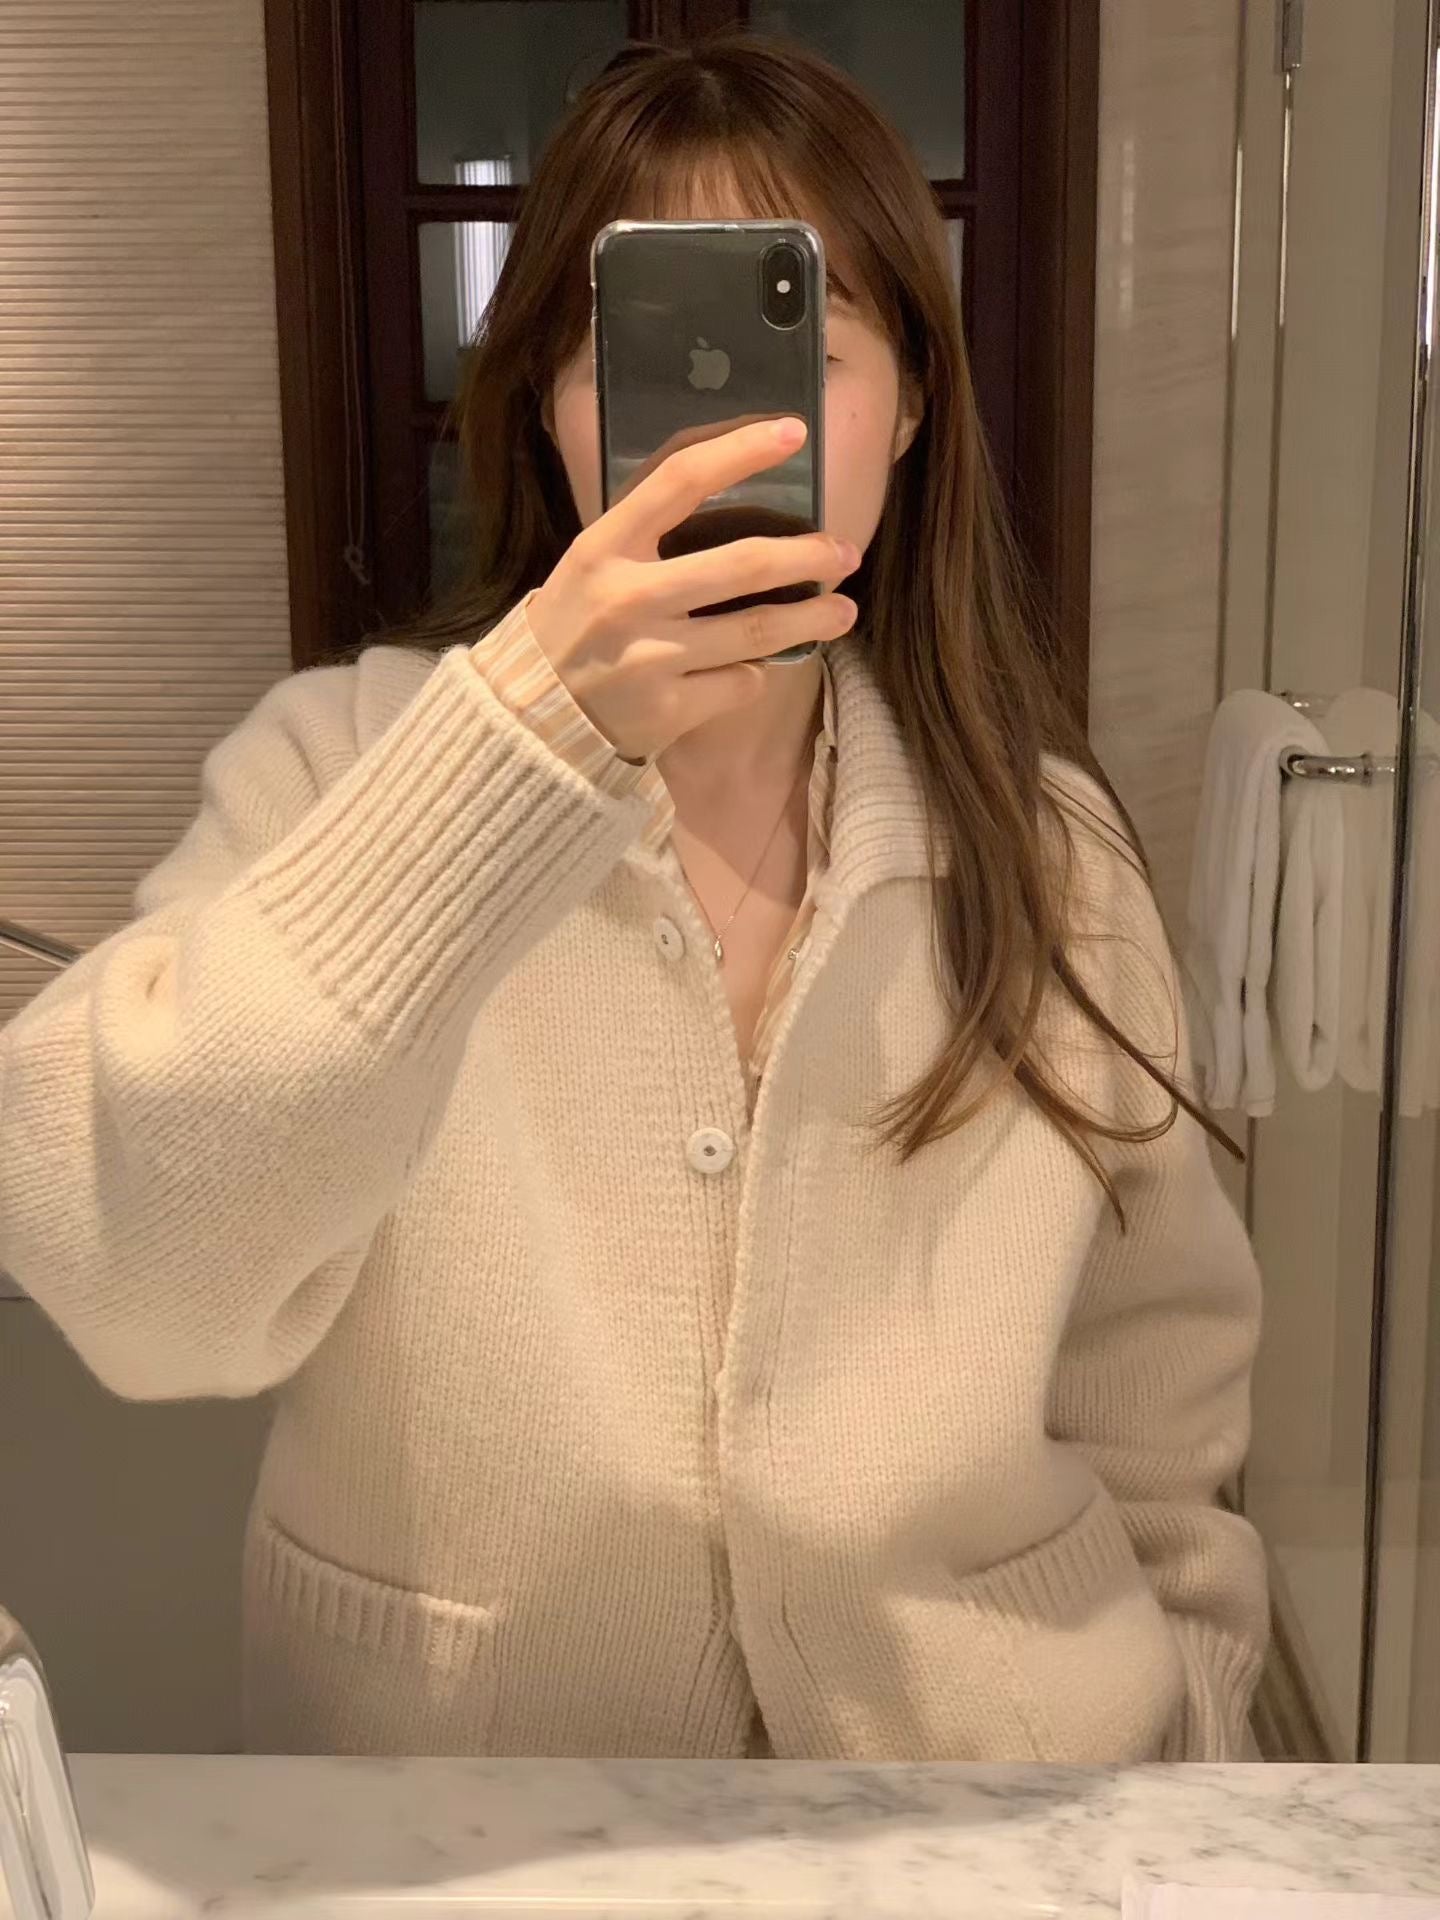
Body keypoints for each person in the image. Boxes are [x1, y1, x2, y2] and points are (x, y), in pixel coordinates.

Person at [0, 34, 1269, 1763]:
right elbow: (141, 1284)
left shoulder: (1045, 851)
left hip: (1005, 1806)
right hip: (468, 1817)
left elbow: (1159, 1395)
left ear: (910, 408)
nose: (729, 426)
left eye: (803, 345)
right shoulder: (340, 772)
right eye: (648, 352)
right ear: (551, 401)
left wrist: (1193, 1739)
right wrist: (517, 753)